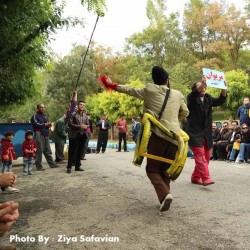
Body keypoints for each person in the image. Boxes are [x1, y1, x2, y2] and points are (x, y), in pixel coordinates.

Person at [97, 66, 189, 212]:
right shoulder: (178, 94)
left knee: (152, 170)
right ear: (167, 80)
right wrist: (174, 123)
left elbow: (129, 89)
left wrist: (111, 84)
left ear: (155, 80)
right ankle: (165, 197)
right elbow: (185, 112)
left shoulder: (149, 90)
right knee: (165, 171)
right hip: (175, 139)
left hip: (158, 136)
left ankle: (166, 194)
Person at [185, 76, 227, 186]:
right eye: (200, 86)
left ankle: (195, 177)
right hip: (194, 133)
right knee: (200, 156)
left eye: (204, 86)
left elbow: (220, 100)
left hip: (206, 133)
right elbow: (193, 94)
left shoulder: (208, 98)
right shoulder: (191, 98)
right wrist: (202, 84)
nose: (203, 88)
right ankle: (205, 178)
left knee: (207, 157)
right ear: (195, 89)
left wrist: (223, 89)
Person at [31, 103, 59, 171]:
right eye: (41, 107)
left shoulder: (45, 116)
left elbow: (47, 125)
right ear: (38, 108)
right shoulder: (35, 116)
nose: (43, 108)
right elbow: (35, 124)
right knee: (39, 152)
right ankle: (39, 166)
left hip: (46, 135)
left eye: (44, 107)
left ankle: (52, 164)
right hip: (39, 135)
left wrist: (49, 126)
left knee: (48, 151)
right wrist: (45, 124)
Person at [66, 101, 89, 174]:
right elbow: (70, 124)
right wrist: (80, 126)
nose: (82, 106)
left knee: (80, 151)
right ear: (78, 105)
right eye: (81, 104)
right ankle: (69, 167)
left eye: (83, 105)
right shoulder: (73, 114)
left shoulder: (85, 116)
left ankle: (77, 166)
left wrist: (86, 126)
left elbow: (88, 124)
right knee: (72, 151)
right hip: (74, 135)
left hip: (83, 135)